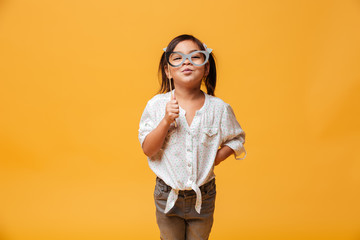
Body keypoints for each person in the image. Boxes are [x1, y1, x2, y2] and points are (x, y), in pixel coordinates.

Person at [138, 34, 246, 240]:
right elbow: (148, 149)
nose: (186, 61)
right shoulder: (156, 105)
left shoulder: (219, 109)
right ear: (168, 71)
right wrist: (165, 121)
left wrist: (216, 158)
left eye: (195, 57)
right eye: (177, 58)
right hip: (167, 194)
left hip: (203, 196)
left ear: (206, 68)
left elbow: (237, 139)